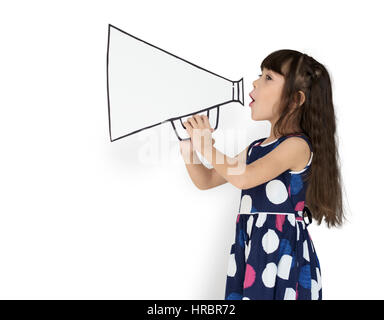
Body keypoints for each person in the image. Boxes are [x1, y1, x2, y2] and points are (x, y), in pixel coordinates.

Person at [179, 49, 346, 300]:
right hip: (252, 251)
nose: (256, 82)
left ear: (295, 99)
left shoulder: (297, 146)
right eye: (260, 75)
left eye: (268, 77)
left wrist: (208, 147)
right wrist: (190, 150)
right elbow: (207, 180)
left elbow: (245, 178)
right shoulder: (256, 148)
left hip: (281, 256)